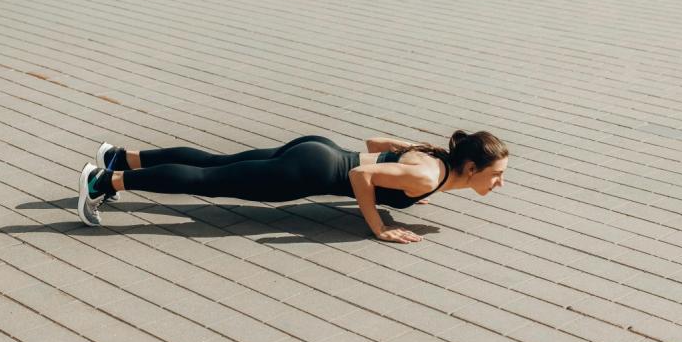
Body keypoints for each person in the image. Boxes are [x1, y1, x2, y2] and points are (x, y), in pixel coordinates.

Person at [77, 130, 509, 244]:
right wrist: (377, 226)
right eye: (495, 174)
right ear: (470, 166)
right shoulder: (427, 176)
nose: (500, 182)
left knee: (214, 161)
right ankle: (104, 181)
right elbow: (361, 177)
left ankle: (120, 158)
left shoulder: (430, 157)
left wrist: (401, 148)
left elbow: (373, 148)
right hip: (306, 174)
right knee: (210, 180)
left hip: (317, 149)